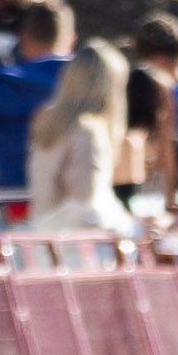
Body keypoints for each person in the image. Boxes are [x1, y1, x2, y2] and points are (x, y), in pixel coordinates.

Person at [0, 0, 70, 214]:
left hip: (6, 201)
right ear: (71, 39)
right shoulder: (89, 85)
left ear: (23, 38)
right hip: (68, 205)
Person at [23, 39, 132, 233]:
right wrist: (136, 228)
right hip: (76, 247)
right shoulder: (88, 130)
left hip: (42, 234)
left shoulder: (48, 120)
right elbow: (86, 204)